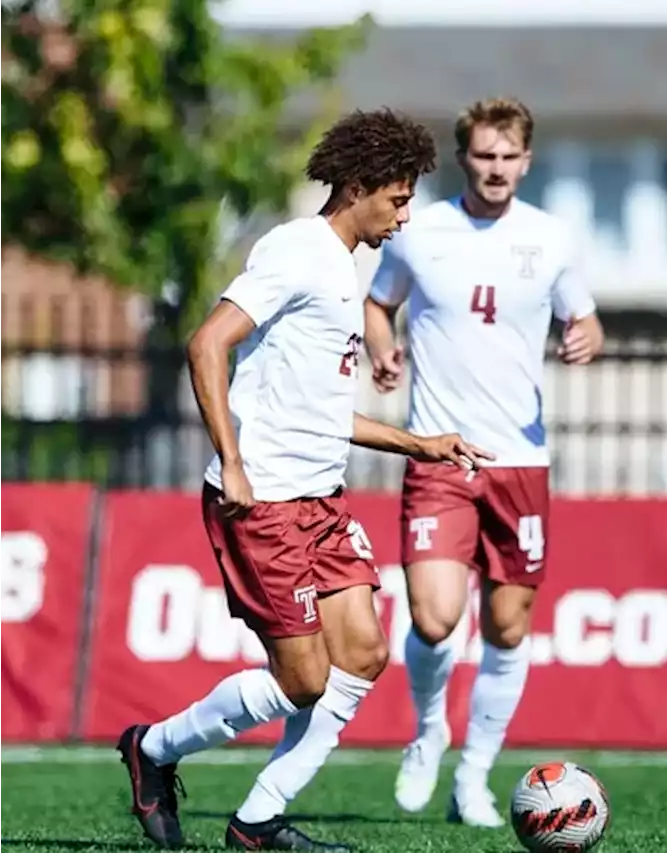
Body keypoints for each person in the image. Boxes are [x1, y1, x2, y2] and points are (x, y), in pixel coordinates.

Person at [117, 108, 493, 851]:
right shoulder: (296, 249)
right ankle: (153, 748)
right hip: (263, 503)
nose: (406, 213)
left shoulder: (341, 269)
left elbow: (320, 410)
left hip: (320, 502)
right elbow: (206, 344)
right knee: (303, 680)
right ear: (356, 187)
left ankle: (256, 822)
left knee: (364, 655)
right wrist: (232, 461)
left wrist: (418, 443)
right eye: (397, 196)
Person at [363, 96, 604, 828]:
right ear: (463, 157)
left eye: (509, 157)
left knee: (505, 627)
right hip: (439, 452)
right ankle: (429, 729)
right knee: (435, 619)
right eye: (484, 155)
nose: (496, 169)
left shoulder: (552, 238)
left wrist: (585, 336)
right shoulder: (420, 231)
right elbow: (379, 305)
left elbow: (581, 314)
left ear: (526, 161)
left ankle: (474, 775)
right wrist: (381, 347)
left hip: (522, 460)